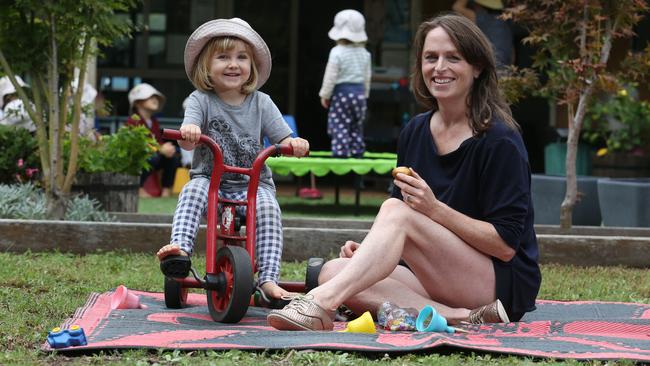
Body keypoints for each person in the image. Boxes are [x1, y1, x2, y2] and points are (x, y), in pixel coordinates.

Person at [268, 14, 541, 331]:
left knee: (393, 216)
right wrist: (374, 247)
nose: (439, 68)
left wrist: (434, 209)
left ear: (477, 67)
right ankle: (460, 316)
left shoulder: (499, 140)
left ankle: (319, 303)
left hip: (498, 283)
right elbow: (404, 220)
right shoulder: (415, 131)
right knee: (334, 270)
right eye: (430, 58)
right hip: (442, 278)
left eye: (453, 58)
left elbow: (505, 246)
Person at [156, 18, 310, 300]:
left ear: (252, 66)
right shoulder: (199, 100)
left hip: (253, 185)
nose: (233, 64)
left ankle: (268, 279)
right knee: (191, 191)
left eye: (242, 57)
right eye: (223, 57)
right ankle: (178, 250)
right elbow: (186, 133)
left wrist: (294, 143)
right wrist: (189, 132)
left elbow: (282, 138)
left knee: (268, 209)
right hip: (211, 183)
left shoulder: (262, 102)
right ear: (206, 66)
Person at [319, 9, 372, 158]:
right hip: (360, 94)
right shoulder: (365, 53)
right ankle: (357, 150)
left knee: (339, 123)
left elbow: (331, 76)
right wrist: (365, 94)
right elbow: (367, 77)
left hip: (342, 93)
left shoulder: (337, 52)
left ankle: (341, 152)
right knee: (356, 124)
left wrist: (325, 95)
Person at [126, 83, 180, 198]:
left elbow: (157, 140)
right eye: (150, 97)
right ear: (138, 102)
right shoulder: (132, 121)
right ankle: (138, 188)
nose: (154, 99)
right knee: (153, 157)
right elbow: (137, 145)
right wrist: (160, 148)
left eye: (155, 97)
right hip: (138, 160)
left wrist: (165, 149)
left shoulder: (154, 121)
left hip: (154, 155)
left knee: (172, 158)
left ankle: (166, 189)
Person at [452, 0, 514, 70]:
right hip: (506, 69)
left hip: (490, 69)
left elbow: (456, 7)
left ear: (477, 4)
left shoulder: (478, 16)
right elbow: (512, 53)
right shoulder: (505, 20)